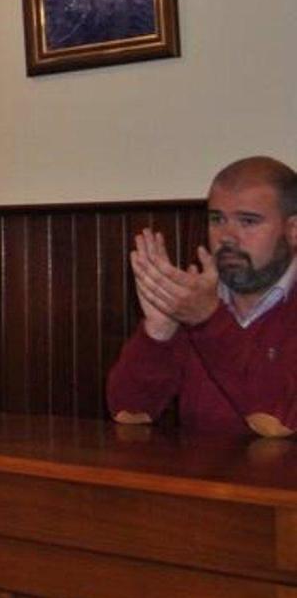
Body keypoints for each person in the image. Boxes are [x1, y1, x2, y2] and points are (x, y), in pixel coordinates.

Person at [106, 156, 297, 438]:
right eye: (217, 219)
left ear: (293, 230)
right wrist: (159, 331)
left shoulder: (202, 310)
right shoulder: (196, 299)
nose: (227, 237)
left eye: (248, 221)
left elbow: (279, 422)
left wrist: (208, 321)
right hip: (198, 467)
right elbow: (129, 412)